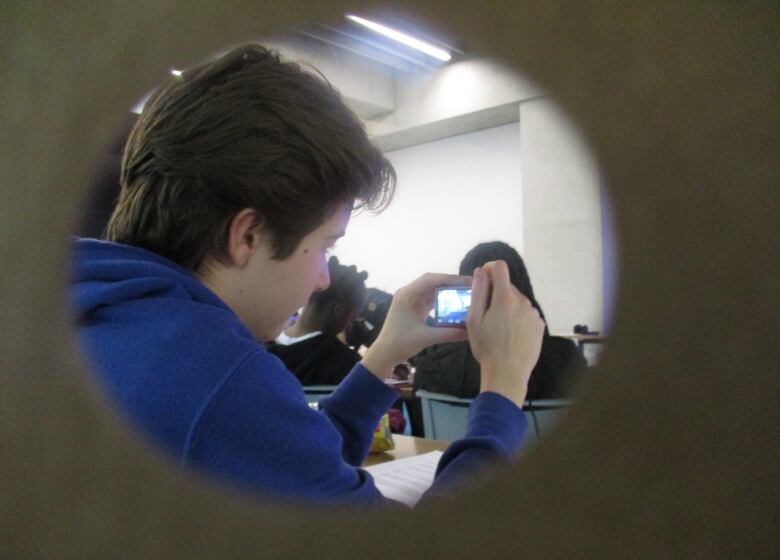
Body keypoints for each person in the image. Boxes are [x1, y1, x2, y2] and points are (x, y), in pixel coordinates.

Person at [70, 44, 545, 506]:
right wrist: (503, 389)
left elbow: (289, 467)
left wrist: (384, 355)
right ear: (248, 236)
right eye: (325, 245)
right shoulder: (220, 379)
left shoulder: (97, 312)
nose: (322, 278)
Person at [413, 241, 585, 402]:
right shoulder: (566, 357)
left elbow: (419, 428)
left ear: (467, 288)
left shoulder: (432, 362)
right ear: (523, 290)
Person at [267, 256, 367, 386]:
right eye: (352, 317)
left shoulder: (259, 341)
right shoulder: (346, 364)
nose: (349, 324)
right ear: (339, 310)